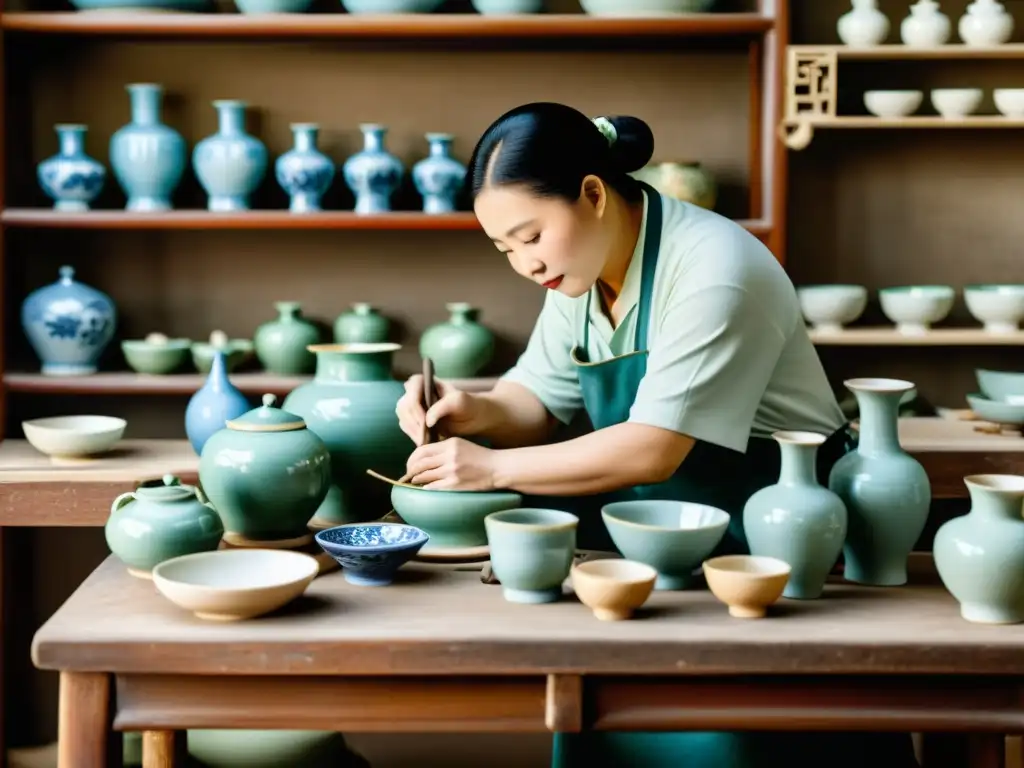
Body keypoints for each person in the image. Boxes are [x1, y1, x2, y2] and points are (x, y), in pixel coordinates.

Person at [395, 102, 916, 768]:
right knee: (604, 705)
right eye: (505, 248)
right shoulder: (577, 273)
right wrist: (472, 410)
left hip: (774, 536)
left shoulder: (714, 268)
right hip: (659, 534)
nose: (523, 264)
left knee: (732, 731)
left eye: (531, 235)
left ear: (592, 194)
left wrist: (491, 469)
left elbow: (652, 448)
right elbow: (539, 400)